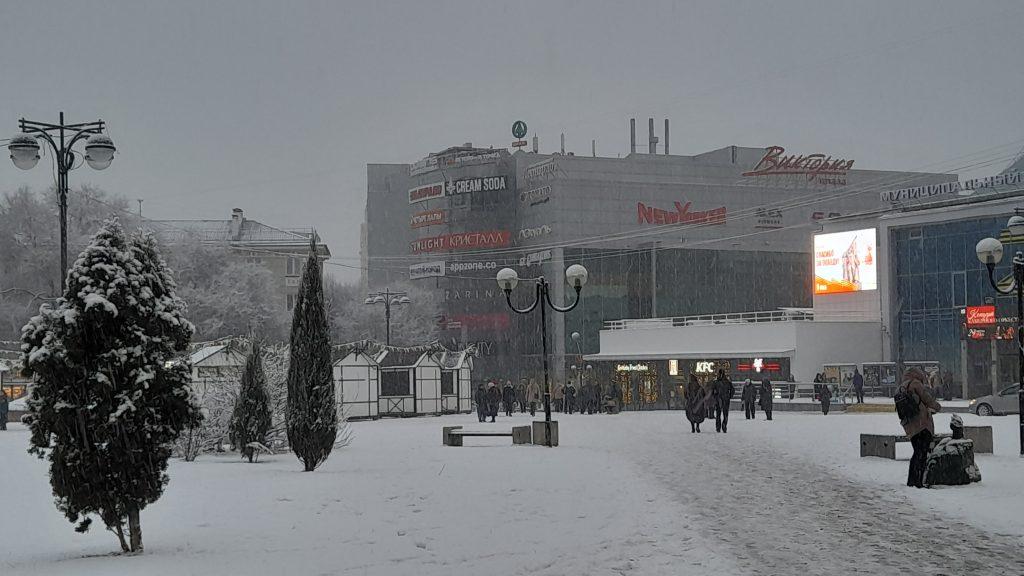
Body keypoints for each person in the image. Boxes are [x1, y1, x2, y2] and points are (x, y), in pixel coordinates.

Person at [898, 367, 942, 488]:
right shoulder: (916, 384)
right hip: (922, 424)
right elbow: (927, 399)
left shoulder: (901, 387)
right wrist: (937, 407)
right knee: (921, 454)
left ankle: (911, 480)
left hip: (909, 426)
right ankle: (918, 482)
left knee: (917, 453)